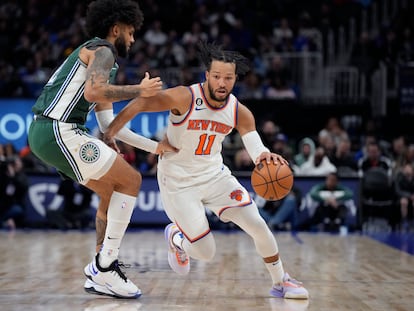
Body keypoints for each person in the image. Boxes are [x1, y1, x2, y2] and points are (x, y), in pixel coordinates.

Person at [104, 41, 309, 299]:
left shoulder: (238, 111)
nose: (222, 83)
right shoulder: (185, 97)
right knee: (206, 251)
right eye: (217, 77)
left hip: (214, 175)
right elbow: (141, 104)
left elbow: (254, 143)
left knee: (258, 225)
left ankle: (281, 282)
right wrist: (114, 133)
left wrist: (263, 156)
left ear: (235, 79)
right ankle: (177, 238)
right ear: (207, 76)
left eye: (228, 78)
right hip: (179, 182)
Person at [27, 0, 176, 299]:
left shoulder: (102, 58)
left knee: (113, 191)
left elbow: (109, 124)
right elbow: (93, 92)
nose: (133, 40)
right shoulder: (103, 50)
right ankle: (105, 267)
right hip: (59, 129)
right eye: (131, 32)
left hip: (50, 132)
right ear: (116, 28)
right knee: (132, 181)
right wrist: (139, 91)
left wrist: (155, 147)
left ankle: (101, 265)